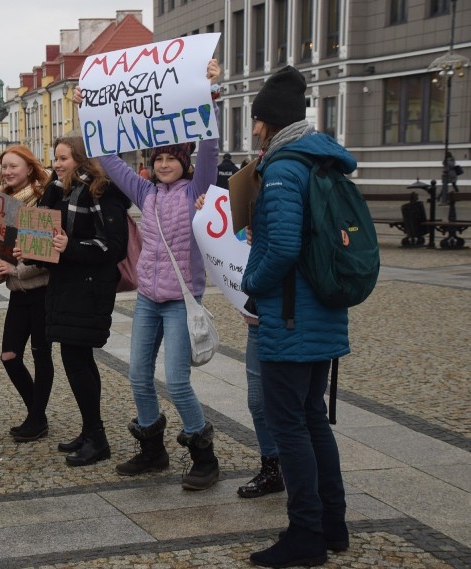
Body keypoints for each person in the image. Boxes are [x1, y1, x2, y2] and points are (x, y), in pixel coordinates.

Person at [78, 59, 222, 488]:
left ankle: (204, 454)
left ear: (183, 162)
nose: (163, 164)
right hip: (147, 300)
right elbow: (107, 155)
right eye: (157, 158)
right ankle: (153, 450)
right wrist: (93, 110)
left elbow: (210, 149)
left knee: (177, 382)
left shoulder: (198, 189)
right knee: (138, 375)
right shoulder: (144, 191)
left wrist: (210, 94)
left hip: (180, 301)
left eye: (171, 158)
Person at [241, 65, 350, 568]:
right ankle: (333, 525)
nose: (253, 127)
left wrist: (250, 283)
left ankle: (306, 535)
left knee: (290, 426)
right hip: (320, 314)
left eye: (255, 119)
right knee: (312, 420)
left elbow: (282, 246)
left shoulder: (284, 168)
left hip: (289, 318)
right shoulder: (317, 161)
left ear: (265, 121)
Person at [17, 135, 130, 467]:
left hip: (91, 287)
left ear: (81, 159)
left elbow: (114, 246)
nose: (57, 163)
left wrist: (71, 248)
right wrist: (30, 252)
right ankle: (90, 430)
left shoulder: (102, 191)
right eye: (55, 158)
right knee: (77, 360)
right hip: (66, 284)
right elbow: (46, 230)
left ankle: (97, 438)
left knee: (77, 361)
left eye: (63, 158)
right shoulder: (64, 190)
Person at [195, 194, 283, 499]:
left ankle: (305, 473)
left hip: (291, 319)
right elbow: (231, 237)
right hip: (258, 320)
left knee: (298, 406)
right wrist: (209, 211)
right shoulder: (259, 188)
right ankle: (272, 467)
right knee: (258, 402)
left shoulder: (289, 192)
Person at [0, 145, 54, 442]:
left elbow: (46, 258)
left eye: (14, 166)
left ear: (30, 168)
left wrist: (12, 269)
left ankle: (36, 419)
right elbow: (0, 251)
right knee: (9, 355)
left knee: (41, 356)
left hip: (42, 292)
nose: (8, 171)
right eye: (4, 166)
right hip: (17, 294)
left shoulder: (43, 201)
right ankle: (37, 414)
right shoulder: (1, 204)